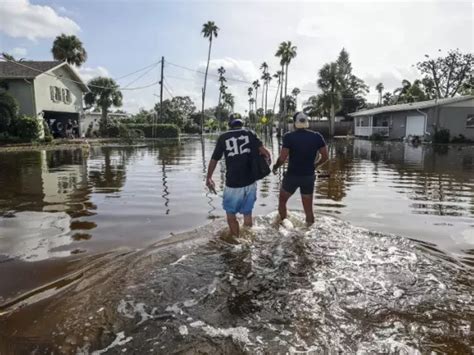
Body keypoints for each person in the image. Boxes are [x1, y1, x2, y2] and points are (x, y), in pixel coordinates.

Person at [206, 113, 271, 236]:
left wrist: (209, 177)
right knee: (247, 214)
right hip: (250, 182)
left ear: (230, 125)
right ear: (242, 123)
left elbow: (214, 159)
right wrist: (266, 164)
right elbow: (267, 153)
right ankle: (248, 238)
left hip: (233, 183)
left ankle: (236, 241)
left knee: (231, 216)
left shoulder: (223, 137)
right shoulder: (250, 133)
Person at [272, 112, 329, 226]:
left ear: (294, 123)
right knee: (308, 209)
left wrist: (275, 167)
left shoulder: (289, 137)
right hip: (308, 177)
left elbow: (282, 158)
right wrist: (315, 166)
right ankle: (309, 231)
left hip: (292, 176)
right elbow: (326, 156)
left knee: (282, 201)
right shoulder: (317, 136)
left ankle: (284, 225)